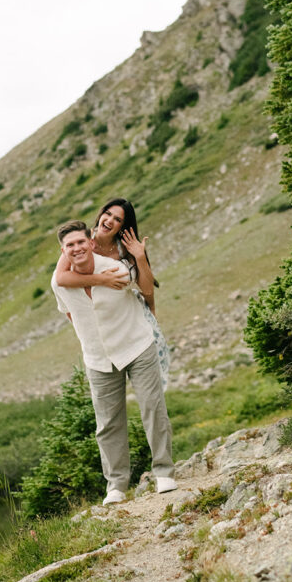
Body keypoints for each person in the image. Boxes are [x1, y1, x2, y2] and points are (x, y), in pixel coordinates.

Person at [51, 219, 177, 505]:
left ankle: (164, 472)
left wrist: (141, 259)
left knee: (152, 407)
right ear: (63, 251)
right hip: (97, 358)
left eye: (81, 242)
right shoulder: (59, 283)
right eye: (70, 245)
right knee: (107, 423)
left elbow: (144, 290)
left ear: (91, 243)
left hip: (136, 346)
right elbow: (70, 313)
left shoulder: (116, 270)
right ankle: (116, 486)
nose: (77, 248)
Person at [55, 197, 170, 388]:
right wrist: (102, 279)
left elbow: (147, 288)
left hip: (133, 323)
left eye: (117, 219)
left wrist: (140, 257)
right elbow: (61, 278)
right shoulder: (81, 242)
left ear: (122, 226)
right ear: (101, 214)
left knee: (151, 392)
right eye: (108, 214)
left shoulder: (126, 247)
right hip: (103, 331)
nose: (110, 221)